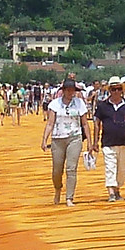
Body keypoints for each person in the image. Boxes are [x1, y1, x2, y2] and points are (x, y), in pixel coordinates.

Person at [43, 75, 89, 206]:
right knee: (57, 170)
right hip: (57, 139)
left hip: (75, 137)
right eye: (68, 90)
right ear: (63, 90)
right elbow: (50, 123)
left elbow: (85, 123)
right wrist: (44, 139)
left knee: (71, 168)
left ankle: (69, 197)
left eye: (72, 90)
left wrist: (90, 141)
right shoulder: (54, 104)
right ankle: (58, 188)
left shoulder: (80, 103)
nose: (70, 92)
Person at [95, 77, 125, 201]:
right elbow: (97, 123)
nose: (116, 92)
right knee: (110, 166)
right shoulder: (102, 106)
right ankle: (111, 192)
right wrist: (95, 141)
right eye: (113, 89)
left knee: (121, 169)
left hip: (123, 141)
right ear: (109, 91)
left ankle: (117, 189)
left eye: (118, 89)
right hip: (107, 142)